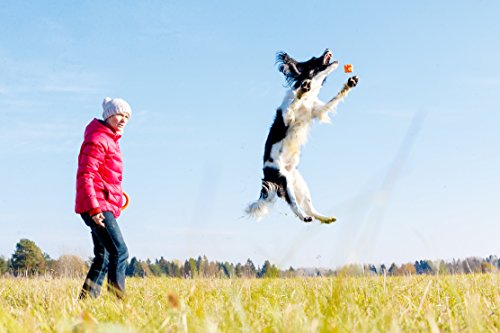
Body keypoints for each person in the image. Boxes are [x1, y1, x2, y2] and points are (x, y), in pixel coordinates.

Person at [75, 97, 132, 299]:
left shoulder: (109, 140)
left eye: (127, 116)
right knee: (120, 252)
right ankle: (119, 303)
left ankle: (85, 303)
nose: (123, 119)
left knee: (105, 256)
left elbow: (104, 176)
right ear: (108, 115)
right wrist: (95, 209)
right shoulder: (98, 139)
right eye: (119, 114)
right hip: (97, 205)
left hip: (101, 203)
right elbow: (86, 175)